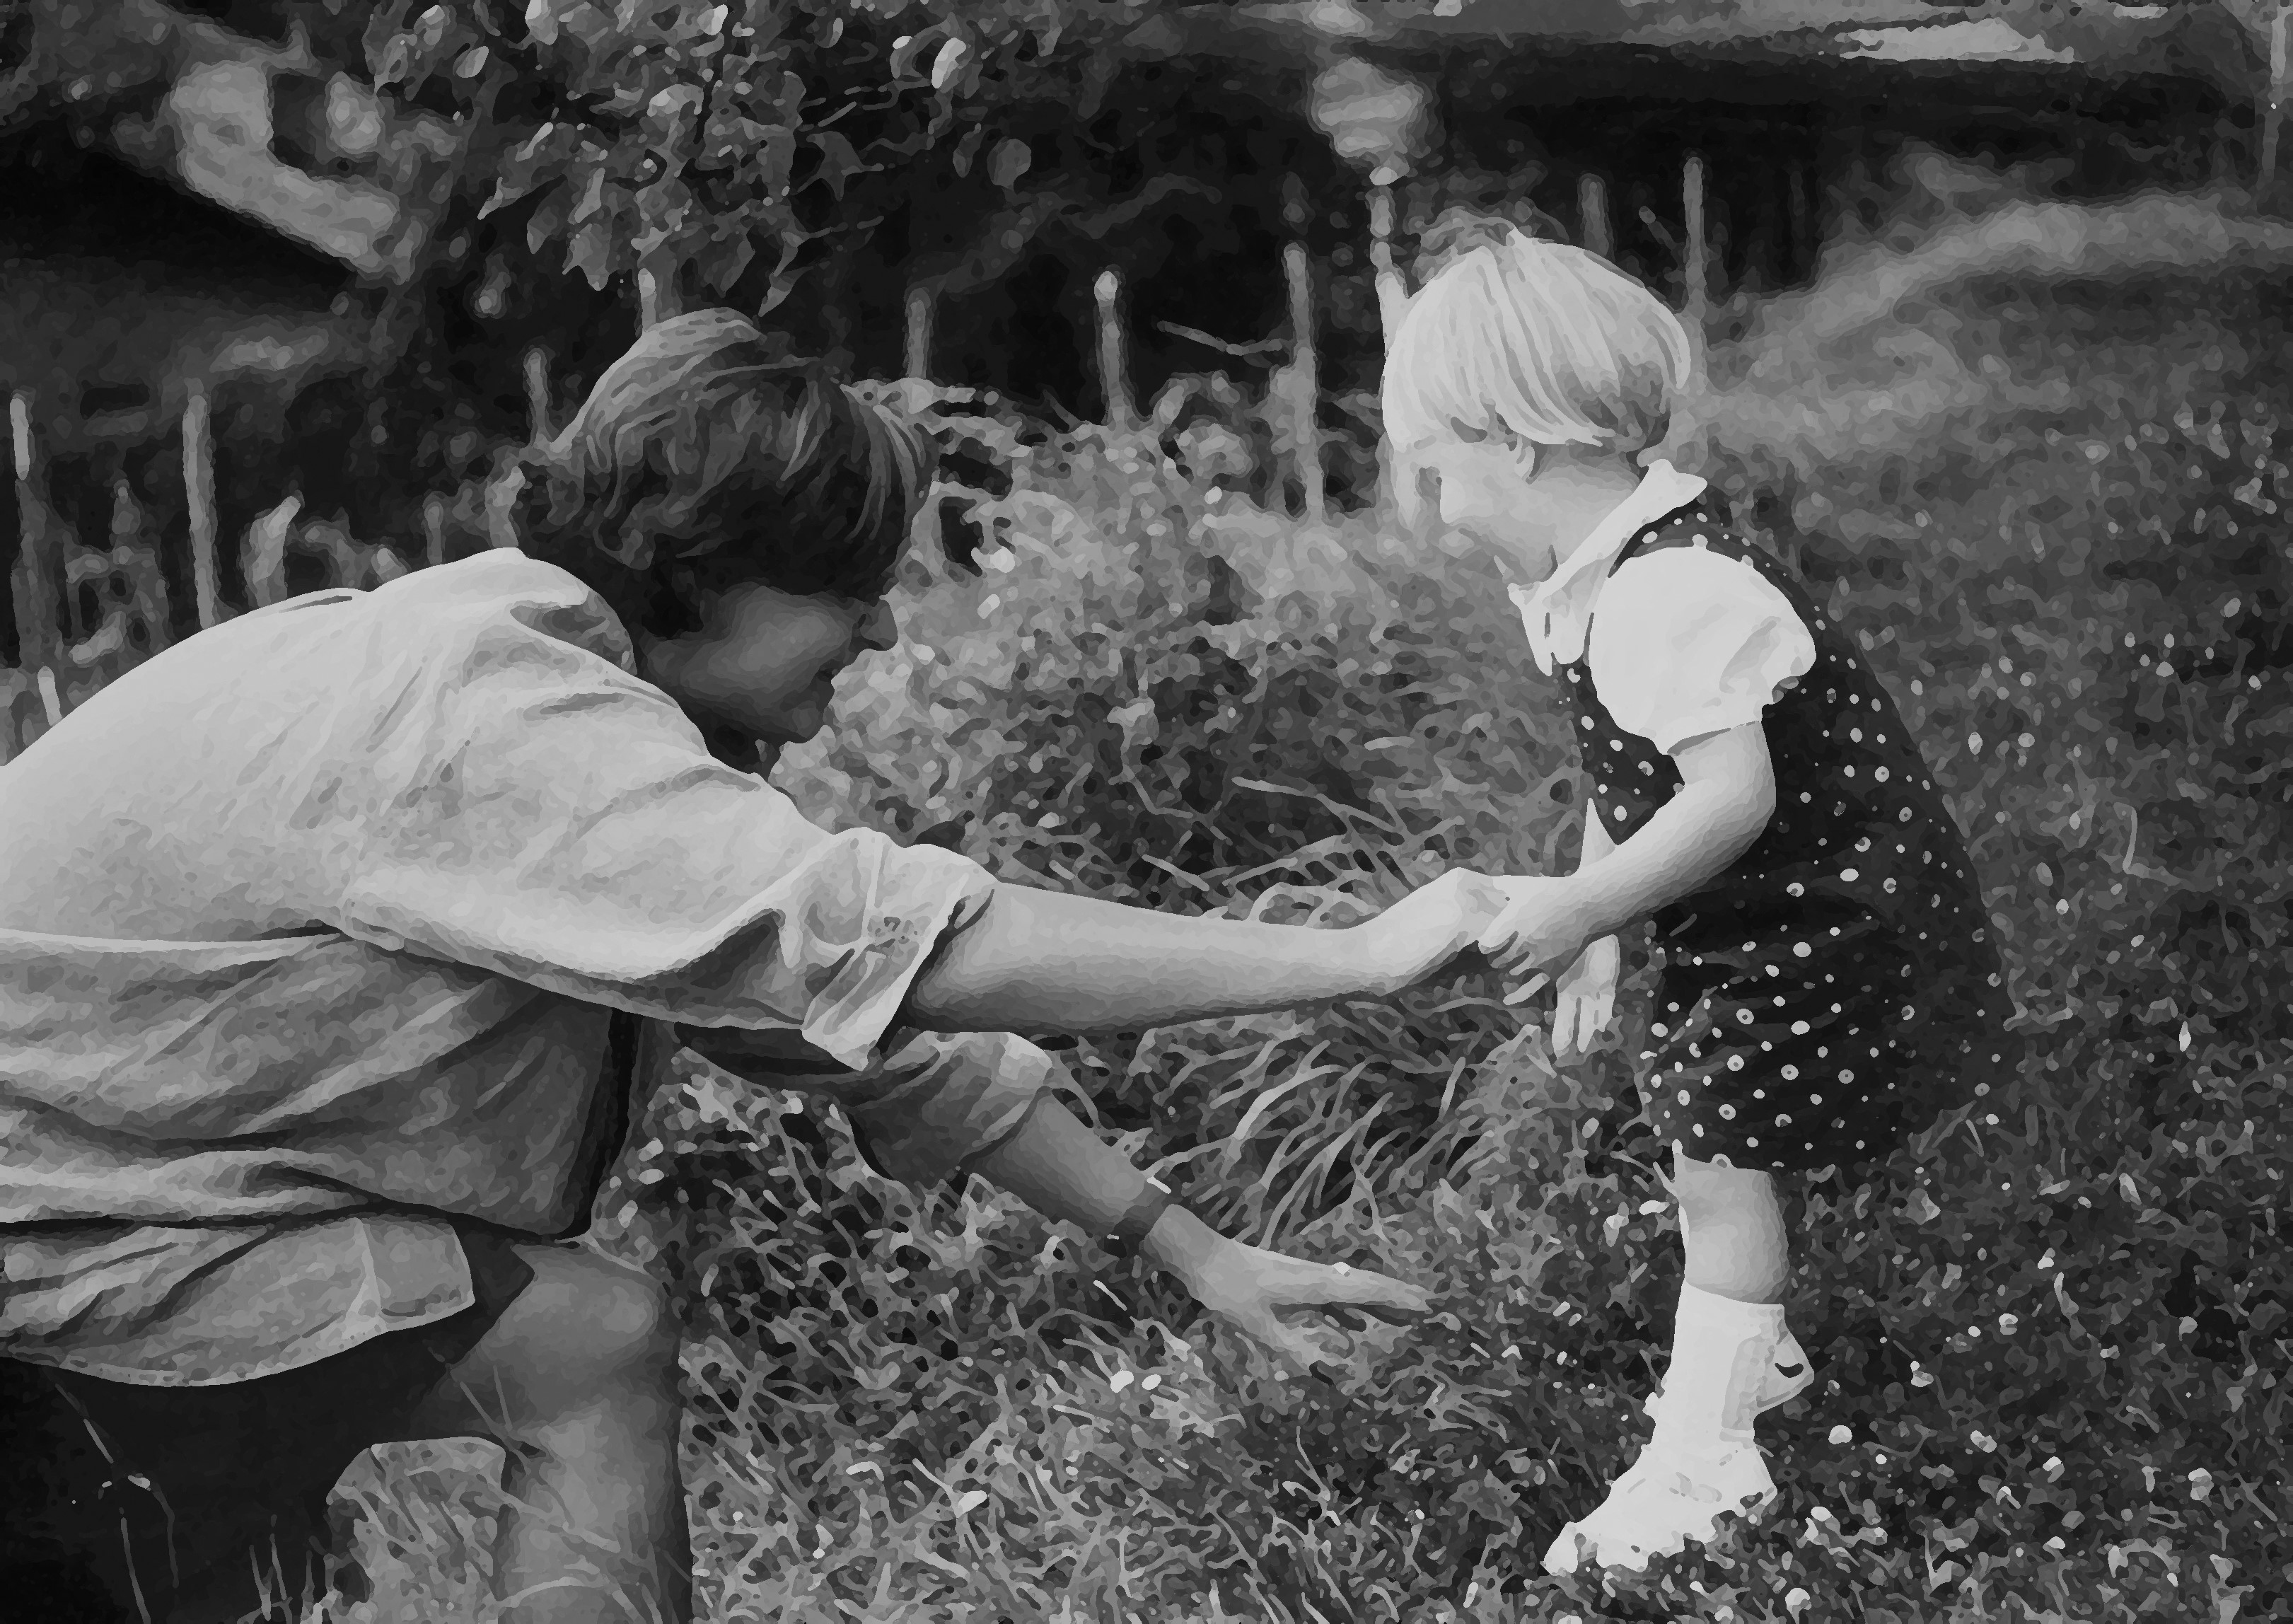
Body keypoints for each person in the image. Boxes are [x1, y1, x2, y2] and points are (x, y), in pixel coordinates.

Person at [0, 308, 1505, 1624]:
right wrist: (1354, 954)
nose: (887, 622)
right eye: (845, 585)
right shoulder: (483, 722)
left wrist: (1192, 1249)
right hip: (54, 1241)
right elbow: (900, 938)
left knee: (535, 1371)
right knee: (585, 1345)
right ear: (703, 574)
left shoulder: (555, 692)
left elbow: (859, 1025)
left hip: (117, 1212)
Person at [1379, 234, 2012, 1574]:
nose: (1433, 514)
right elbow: (1638, 767)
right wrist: (1607, 914)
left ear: (1518, 445)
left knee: (1719, 1159)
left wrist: (1573, 906)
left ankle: (1709, 1464)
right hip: (1762, 915)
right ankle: (1748, 1351)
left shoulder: (1668, 588)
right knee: (1704, 1139)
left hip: (1827, 916)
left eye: (1437, 472)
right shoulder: (1600, 576)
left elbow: (1725, 802)